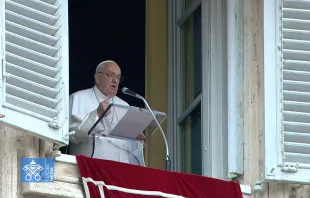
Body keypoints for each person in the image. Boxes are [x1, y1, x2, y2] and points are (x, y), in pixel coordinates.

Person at [69, 60, 145, 165]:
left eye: (118, 77)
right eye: (111, 75)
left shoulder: (125, 106)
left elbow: (128, 148)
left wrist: (134, 139)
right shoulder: (78, 98)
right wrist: (97, 114)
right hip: (88, 167)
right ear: (97, 77)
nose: (115, 80)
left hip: (119, 170)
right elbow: (73, 136)